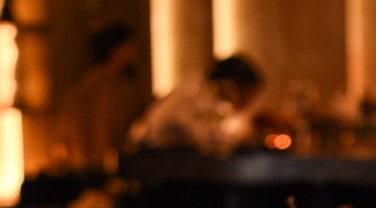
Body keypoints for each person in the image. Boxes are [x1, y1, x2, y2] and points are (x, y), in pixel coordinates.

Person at [51, 23, 146, 173]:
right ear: (118, 51)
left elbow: (61, 150)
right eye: (132, 47)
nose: (136, 54)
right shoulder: (123, 93)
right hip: (113, 178)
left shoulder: (73, 95)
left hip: (79, 179)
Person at [131, 54, 264, 154]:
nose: (249, 102)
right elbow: (207, 140)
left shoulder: (200, 91)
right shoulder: (194, 94)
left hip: (167, 162)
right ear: (233, 85)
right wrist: (242, 137)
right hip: (155, 165)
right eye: (249, 94)